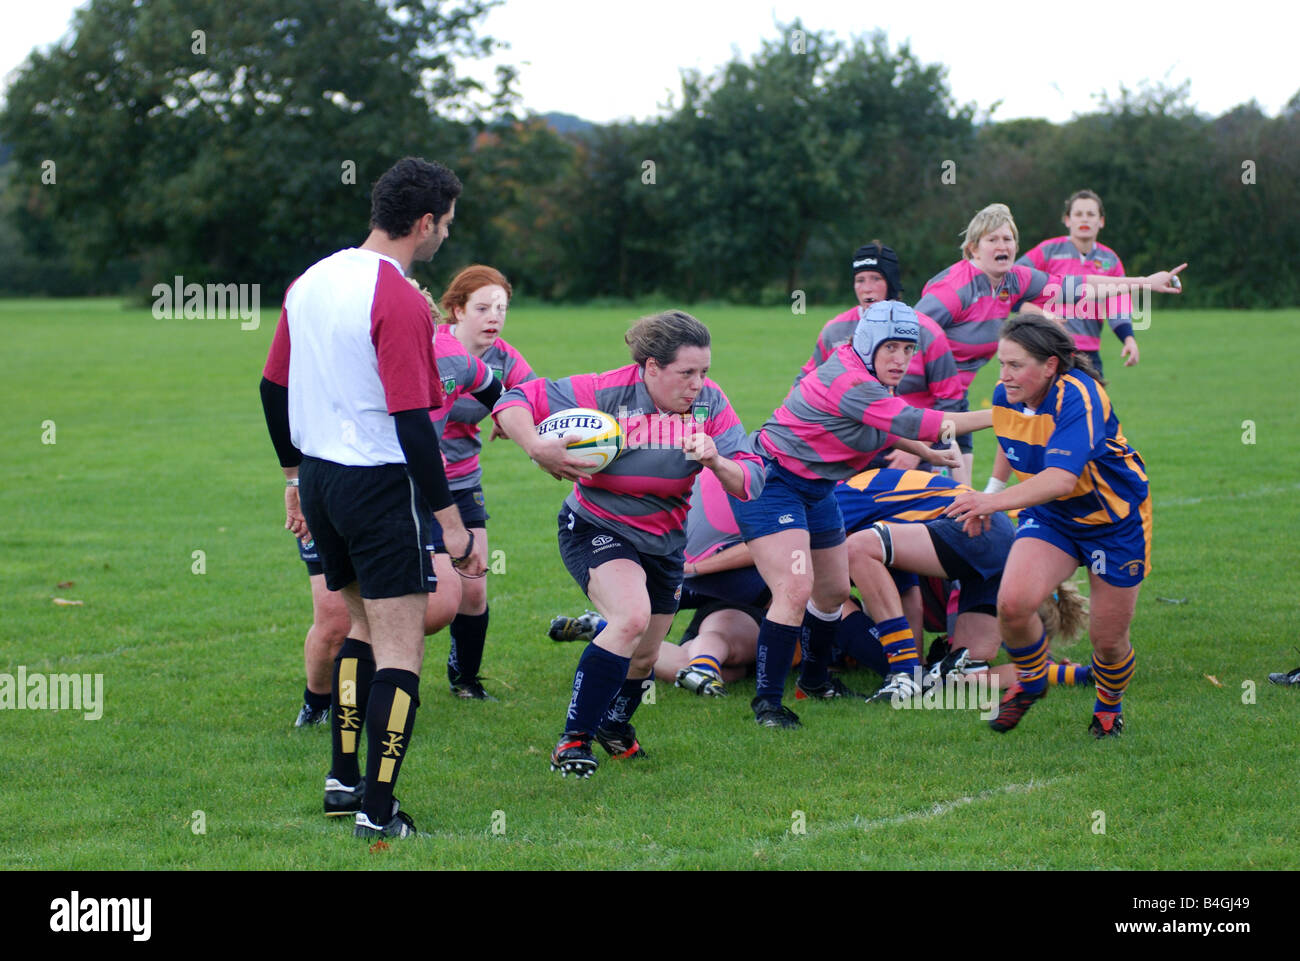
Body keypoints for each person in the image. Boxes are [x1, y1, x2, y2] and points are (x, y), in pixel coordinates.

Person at [260, 157, 485, 839]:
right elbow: (415, 419)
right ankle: (379, 811)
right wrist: (452, 524)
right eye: (445, 224)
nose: (445, 236)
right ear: (424, 222)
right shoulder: (397, 296)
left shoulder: (312, 280)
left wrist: (295, 478)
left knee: (358, 627)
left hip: (324, 480)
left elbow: (272, 388)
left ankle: (341, 779)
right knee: (400, 650)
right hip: (377, 485)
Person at [493, 310, 764, 777]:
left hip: (664, 540)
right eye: (687, 373)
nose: (698, 383)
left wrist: (718, 460)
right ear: (652, 367)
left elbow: (750, 480)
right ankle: (573, 742)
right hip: (597, 525)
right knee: (630, 618)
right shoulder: (605, 391)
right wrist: (536, 445)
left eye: (704, 372)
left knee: (643, 654)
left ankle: (615, 726)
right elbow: (516, 398)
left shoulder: (710, 405)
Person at [729, 300, 994, 729]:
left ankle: (814, 683)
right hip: (771, 483)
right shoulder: (851, 379)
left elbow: (881, 424)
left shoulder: (863, 370)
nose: (902, 360)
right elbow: (913, 421)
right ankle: (767, 704)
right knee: (795, 589)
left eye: (909, 350)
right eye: (892, 348)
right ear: (869, 342)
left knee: (832, 591)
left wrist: (924, 453)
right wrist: (1005, 416)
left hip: (815, 490)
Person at [945, 314, 1151, 738]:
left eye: (1015, 365)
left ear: (1051, 365)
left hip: (1112, 521)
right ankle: (1033, 680)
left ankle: (1108, 707)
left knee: (1107, 642)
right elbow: (1010, 434)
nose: (1004, 375)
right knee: (1014, 604)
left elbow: (1059, 478)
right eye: (1001, 363)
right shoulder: (1010, 392)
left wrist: (991, 501)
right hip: (1052, 516)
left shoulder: (1081, 396)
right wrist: (993, 487)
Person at [913, 202, 1184, 479]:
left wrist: (1144, 283)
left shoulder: (1013, 281)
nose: (1002, 245)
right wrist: (906, 430)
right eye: (992, 240)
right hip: (915, 404)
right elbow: (907, 335)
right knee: (916, 501)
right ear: (973, 249)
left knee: (959, 506)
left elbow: (1077, 287)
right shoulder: (955, 288)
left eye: (1007, 239)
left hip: (952, 402)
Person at [436, 265, 537, 699]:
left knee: (473, 590)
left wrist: (512, 411)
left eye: (501, 308)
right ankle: (383, 672)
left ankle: (465, 681)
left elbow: (536, 395)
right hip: (412, 486)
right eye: (482, 308)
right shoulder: (434, 349)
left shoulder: (503, 358)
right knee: (433, 598)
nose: (494, 317)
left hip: (463, 481)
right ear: (456, 310)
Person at [797, 242, 970, 483]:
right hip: (854, 443)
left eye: (876, 278)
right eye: (860, 280)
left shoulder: (927, 332)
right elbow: (804, 388)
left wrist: (917, 448)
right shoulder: (834, 331)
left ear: (892, 283)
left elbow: (951, 402)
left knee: (934, 512)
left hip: (920, 443)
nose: (867, 288)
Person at [1017, 190, 1138, 378]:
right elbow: (1011, 284)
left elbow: (1118, 306)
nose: (1085, 220)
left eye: (1091, 214)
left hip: (1087, 355)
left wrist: (1128, 339)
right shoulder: (1048, 251)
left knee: (1096, 406)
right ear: (1067, 220)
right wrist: (1042, 314)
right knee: (1045, 407)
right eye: (1078, 214)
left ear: (1101, 221)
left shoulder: (1110, 260)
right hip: (1048, 350)